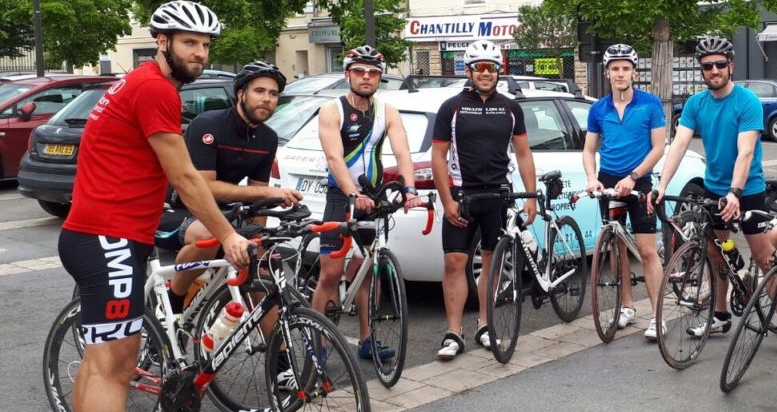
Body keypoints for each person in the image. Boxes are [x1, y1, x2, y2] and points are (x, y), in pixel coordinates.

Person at [58, 0, 251, 412]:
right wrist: (226, 234)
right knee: (114, 369)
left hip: (96, 234)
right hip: (110, 238)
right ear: (161, 42)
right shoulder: (155, 89)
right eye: (189, 42)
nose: (199, 53)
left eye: (205, 45)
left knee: (97, 363)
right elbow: (184, 177)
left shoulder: (140, 83)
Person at [654, 35, 777, 357]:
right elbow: (679, 145)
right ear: (702, 70)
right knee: (715, 255)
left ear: (730, 66)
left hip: (747, 190)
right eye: (707, 66)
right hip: (713, 189)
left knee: (765, 259)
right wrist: (662, 185)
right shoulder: (696, 104)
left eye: (720, 64)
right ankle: (721, 315)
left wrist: (735, 192)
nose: (714, 70)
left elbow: (746, 151)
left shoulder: (747, 101)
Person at [313, 45, 427, 361]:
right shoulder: (332, 110)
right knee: (331, 274)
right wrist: (352, 194)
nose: (366, 77)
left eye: (373, 72)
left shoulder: (387, 111)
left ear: (379, 78)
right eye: (360, 71)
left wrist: (409, 189)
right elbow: (335, 157)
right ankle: (317, 345)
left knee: (366, 270)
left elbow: (403, 153)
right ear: (347, 74)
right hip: (342, 197)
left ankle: (367, 339)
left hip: (373, 198)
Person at [431, 39, 538, 360]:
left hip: (498, 197)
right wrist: (447, 199)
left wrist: (530, 196)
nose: (485, 73)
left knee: (490, 265)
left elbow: (523, 153)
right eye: (479, 67)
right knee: (454, 262)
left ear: (499, 70)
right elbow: (438, 157)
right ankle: (453, 332)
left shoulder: (510, 107)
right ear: (468, 71)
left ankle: (484, 325)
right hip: (463, 196)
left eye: (491, 67)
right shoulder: (451, 107)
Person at [164, 61, 303, 304]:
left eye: (273, 94)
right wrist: (268, 192)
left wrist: (257, 238)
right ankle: (175, 298)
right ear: (241, 94)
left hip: (222, 211)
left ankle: (275, 342)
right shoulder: (208, 124)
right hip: (176, 207)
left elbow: (258, 196)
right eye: (259, 91)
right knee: (211, 234)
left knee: (261, 272)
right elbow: (204, 187)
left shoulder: (267, 138)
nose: (267, 99)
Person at [583, 43, 667, 341]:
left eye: (625, 69)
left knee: (645, 250)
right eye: (615, 69)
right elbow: (589, 148)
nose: (620, 74)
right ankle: (628, 306)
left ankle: (658, 315)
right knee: (616, 247)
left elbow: (659, 147)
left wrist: (634, 176)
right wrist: (592, 178)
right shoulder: (598, 108)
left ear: (634, 72)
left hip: (639, 182)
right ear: (607, 73)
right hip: (609, 181)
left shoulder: (650, 103)